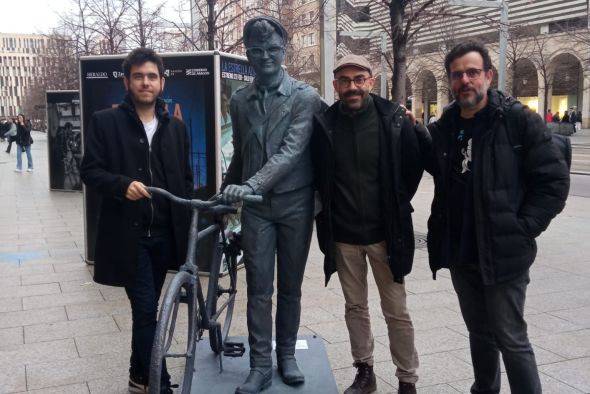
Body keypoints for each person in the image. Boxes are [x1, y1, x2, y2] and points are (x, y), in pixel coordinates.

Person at [416, 41, 569, 394]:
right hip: (461, 251)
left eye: (472, 72)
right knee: (479, 333)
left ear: (488, 75)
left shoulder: (516, 119)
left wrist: (524, 228)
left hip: (503, 251)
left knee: (511, 338)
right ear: (451, 81)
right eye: (457, 75)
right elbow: (431, 163)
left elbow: (554, 181)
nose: (465, 80)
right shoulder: (447, 125)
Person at [80, 47, 193, 394]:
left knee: (148, 310)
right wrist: (121, 185)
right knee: (146, 310)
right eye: (139, 76)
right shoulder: (105, 121)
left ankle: (137, 376)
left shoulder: (175, 127)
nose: (146, 82)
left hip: (163, 235)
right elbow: (89, 172)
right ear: (127, 81)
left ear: (161, 82)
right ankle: (160, 384)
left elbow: (185, 180)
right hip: (128, 238)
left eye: (152, 76)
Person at [221, 16, 322, 394]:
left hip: (296, 204)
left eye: (272, 50)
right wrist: (225, 190)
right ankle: (260, 365)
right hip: (257, 209)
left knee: (290, 287)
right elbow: (242, 153)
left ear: (285, 51)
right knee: (259, 287)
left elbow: (291, 152)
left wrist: (249, 185)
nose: (265, 56)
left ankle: (286, 357)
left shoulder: (304, 97)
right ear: (247, 52)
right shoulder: (241, 100)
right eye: (256, 50)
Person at [312, 54, 422, 394]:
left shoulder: (393, 119)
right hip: (343, 236)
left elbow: (413, 167)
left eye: (359, 79)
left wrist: (396, 203)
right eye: (344, 81)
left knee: (396, 310)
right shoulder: (325, 123)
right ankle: (365, 371)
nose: (352, 86)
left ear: (371, 81)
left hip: (385, 234)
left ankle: (407, 379)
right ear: (335, 86)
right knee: (355, 307)